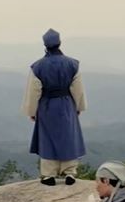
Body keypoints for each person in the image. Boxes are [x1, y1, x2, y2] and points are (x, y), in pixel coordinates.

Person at [22, 28, 87, 186]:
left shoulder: (38, 67)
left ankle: (49, 174)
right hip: (66, 103)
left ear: (45, 45)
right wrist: (79, 106)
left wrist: (32, 111)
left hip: (47, 105)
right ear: (59, 43)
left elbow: (34, 91)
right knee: (68, 136)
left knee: (48, 138)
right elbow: (77, 89)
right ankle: (70, 172)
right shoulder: (72, 64)